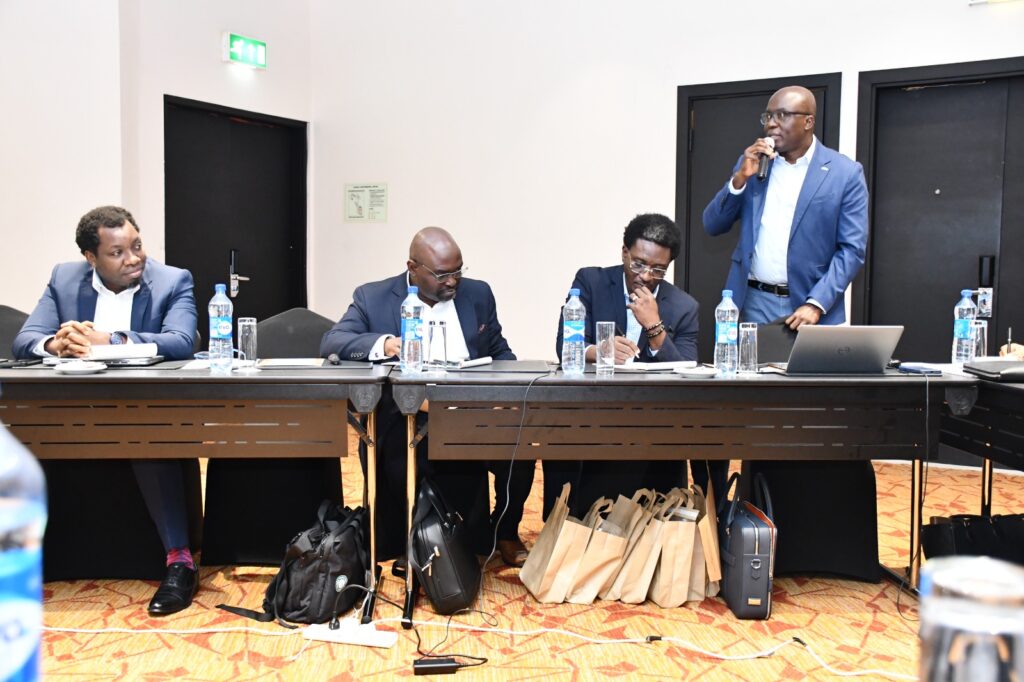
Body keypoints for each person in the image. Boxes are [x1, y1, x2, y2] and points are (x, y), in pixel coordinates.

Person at [703, 86, 878, 581]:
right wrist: (739, 179)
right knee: (754, 413)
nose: (771, 124)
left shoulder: (844, 173)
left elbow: (851, 249)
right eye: (768, 114)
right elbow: (712, 223)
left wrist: (817, 302)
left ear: (808, 121)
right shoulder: (756, 166)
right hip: (753, 302)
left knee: (812, 416)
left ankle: (811, 535)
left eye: (782, 115)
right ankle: (751, 517)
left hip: (810, 308)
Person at [13, 205, 200, 613]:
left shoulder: (172, 280)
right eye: (117, 252)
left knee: (146, 434)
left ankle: (179, 562)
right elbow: (25, 339)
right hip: (72, 407)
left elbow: (182, 340)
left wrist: (113, 340)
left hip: (144, 407)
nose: (133, 258)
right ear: (91, 257)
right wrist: (56, 344)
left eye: (137, 245)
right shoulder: (64, 279)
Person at [320, 227, 534, 566]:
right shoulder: (374, 297)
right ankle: (414, 539)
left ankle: (504, 530)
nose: (453, 281)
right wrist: (387, 344)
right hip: (407, 417)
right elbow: (333, 341)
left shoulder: (478, 294)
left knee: (522, 444)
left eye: (458, 271)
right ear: (413, 268)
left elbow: (500, 352)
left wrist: (505, 393)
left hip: (471, 413)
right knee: (401, 446)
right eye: (443, 274)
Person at [545, 213, 699, 518]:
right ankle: (566, 522)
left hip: (652, 416)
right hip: (593, 407)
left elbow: (685, 371)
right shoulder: (591, 282)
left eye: (658, 269)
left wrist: (654, 327)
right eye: (638, 264)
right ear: (624, 252)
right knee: (558, 430)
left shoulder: (684, 306)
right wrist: (599, 350)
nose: (646, 276)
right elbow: (566, 346)